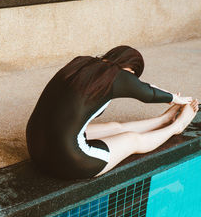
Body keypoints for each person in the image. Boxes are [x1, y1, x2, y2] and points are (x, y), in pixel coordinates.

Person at [25, 45, 199, 181]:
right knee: (132, 140)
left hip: (36, 148)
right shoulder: (116, 75)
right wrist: (178, 100)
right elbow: (147, 92)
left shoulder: (81, 63)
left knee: (114, 127)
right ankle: (176, 126)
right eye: (133, 76)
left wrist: (170, 99)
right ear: (130, 70)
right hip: (68, 161)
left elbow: (148, 88)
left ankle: (164, 119)